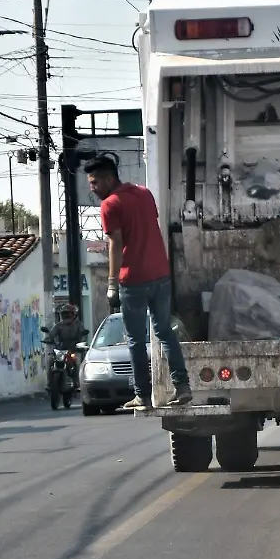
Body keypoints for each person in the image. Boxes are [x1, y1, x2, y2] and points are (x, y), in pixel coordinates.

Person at [83, 154, 192, 409]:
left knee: (134, 339)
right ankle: (183, 386)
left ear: (109, 178)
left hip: (133, 280)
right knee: (165, 332)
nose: (93, 188)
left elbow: (115, 243)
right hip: (161, 275)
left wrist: (111, 284)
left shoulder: (110, 205)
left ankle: (142, 396)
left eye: (95, 182)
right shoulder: (144, 193)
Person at [44, 303, 88, 388]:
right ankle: (49, 383)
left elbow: (84, 334)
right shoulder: (59, 325)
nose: (67, 316)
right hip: (61, 349)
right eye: (64, 314)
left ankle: (77, 383)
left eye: (69, 314)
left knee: (77, 363)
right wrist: (49, 339)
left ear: (73, 315)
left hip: (74, 348)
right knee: (50, 361)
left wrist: (82, 341)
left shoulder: (78, 324)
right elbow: (52, 333)